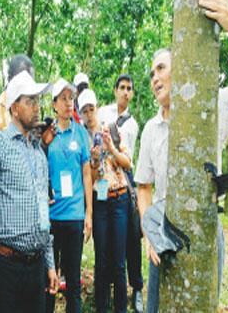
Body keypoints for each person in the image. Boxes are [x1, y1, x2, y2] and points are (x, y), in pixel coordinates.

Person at [135, 0, 228, 313]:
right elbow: (143, 187)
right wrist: (147, 229)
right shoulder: (149, 129)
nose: (154, 78)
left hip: (204, 229)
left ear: (182, 65)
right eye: (150, 73)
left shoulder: (210, 107)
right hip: (162, 233)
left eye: (160, 68)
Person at [0, 70, 57, 313]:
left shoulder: (39, 154)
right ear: (14, 108)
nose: (37, 107)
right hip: (6, 268)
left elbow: (44, 214)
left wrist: (49, 264)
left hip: (36, 267)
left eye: (38, 100)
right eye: (30, 101)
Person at [79, 89, 132, 313]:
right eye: (84, 111)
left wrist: (110, 148)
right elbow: (90, 177)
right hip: (99, 203)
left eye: (92, 109)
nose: (89, 114)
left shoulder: (111, 129)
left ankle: (120, 308)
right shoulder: (81, 137)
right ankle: (102, 307)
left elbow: (127, 163)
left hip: (119, 199)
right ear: (80, 114)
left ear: (97, 108)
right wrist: (93, 159)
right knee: (101, 262)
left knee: (119, 263)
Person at [46, 78, 92, 313]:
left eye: (70, 98)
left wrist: (89, 215)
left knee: (73, 282)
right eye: (63, 99)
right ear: (54, 104)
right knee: (49, 281)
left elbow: (86, 174)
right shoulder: (47, 135)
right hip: (51, 217)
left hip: (74, 215)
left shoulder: (81, 133)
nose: (68, 103)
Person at [98, 74, 143, 312]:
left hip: (124, 184)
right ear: (115, 90)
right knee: (104, 253)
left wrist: (112, 149)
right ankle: (102, 302)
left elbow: (128, 162)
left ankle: (134, 291)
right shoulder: (102, 113)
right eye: (122, 87)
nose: (125, 92)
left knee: (129, 244)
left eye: (129, 88)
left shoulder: (133, 124)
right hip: (101, 187)